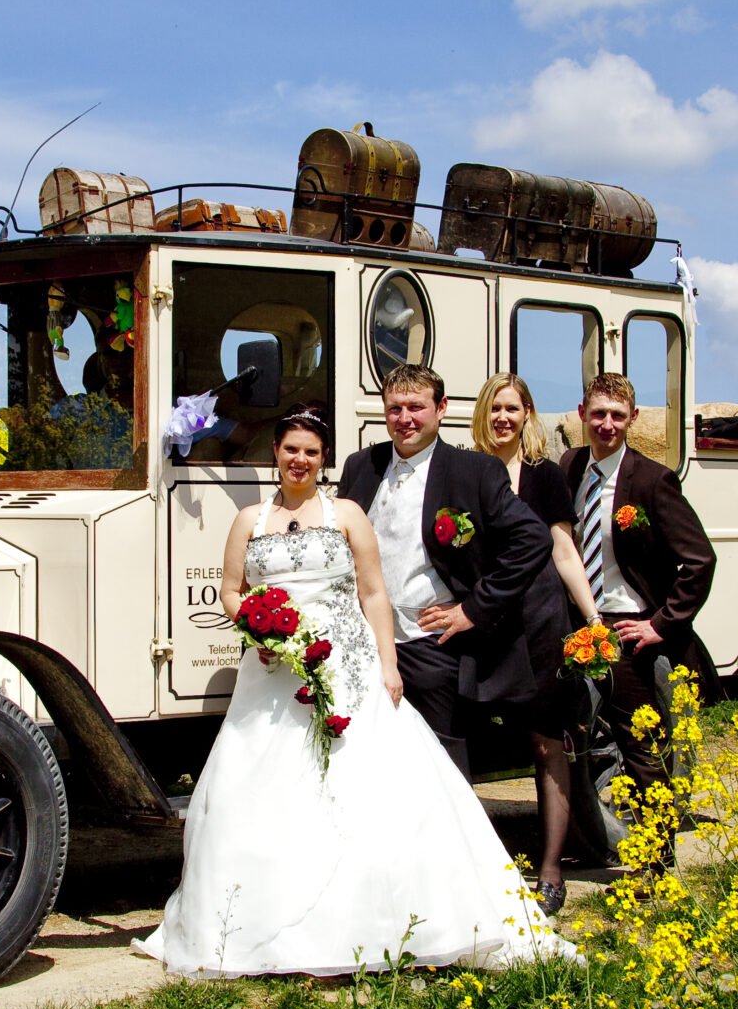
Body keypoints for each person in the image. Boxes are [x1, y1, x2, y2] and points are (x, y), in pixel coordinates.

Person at [136, 404, 578, 976]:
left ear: (323, 461)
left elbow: (373, 594)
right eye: (291, 449)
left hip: (349, 665)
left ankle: (375, 923)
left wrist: (388, 666)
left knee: (362, 787)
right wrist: (258, 628)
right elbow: (230, 590)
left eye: (312, 452)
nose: (300, 460)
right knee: (260, 787)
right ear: (275, 453)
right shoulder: (249, 519)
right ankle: (260, 926)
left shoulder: (345, 513)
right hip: (274, 672)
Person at [336, 365, 571, 782]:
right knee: (369, 763)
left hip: (430, 644)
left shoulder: (474, 471)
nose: (404, 418)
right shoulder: (362, 467)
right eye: (394, 409)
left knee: (441, 770)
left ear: (441, 409)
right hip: (367, 645)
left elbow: (533, 539)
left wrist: (474, 609)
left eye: (415, 407)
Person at [557, 372, 717, 874]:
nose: (607, 425)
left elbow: (700, 560)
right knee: (568, 740)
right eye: (598, 413)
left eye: (617, 416)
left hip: (628, 630)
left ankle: (656, 863)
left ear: (633, 419)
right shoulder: (570, 466)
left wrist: (660, 624)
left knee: (642, 750)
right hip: (578, 625)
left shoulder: (652, 480)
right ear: (582, 414)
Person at [469, 372, 603, 911]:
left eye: (513, 408)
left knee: (548, 743)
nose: (503, 417)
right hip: (482, 619)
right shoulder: (463, 471)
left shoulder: (546, 477)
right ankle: (474, 867)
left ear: (527, 414)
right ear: (483, 414)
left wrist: (592, 620)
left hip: (542, 616)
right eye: (494, 407)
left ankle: (550, 870)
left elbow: (564, 552)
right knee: (463, 741)